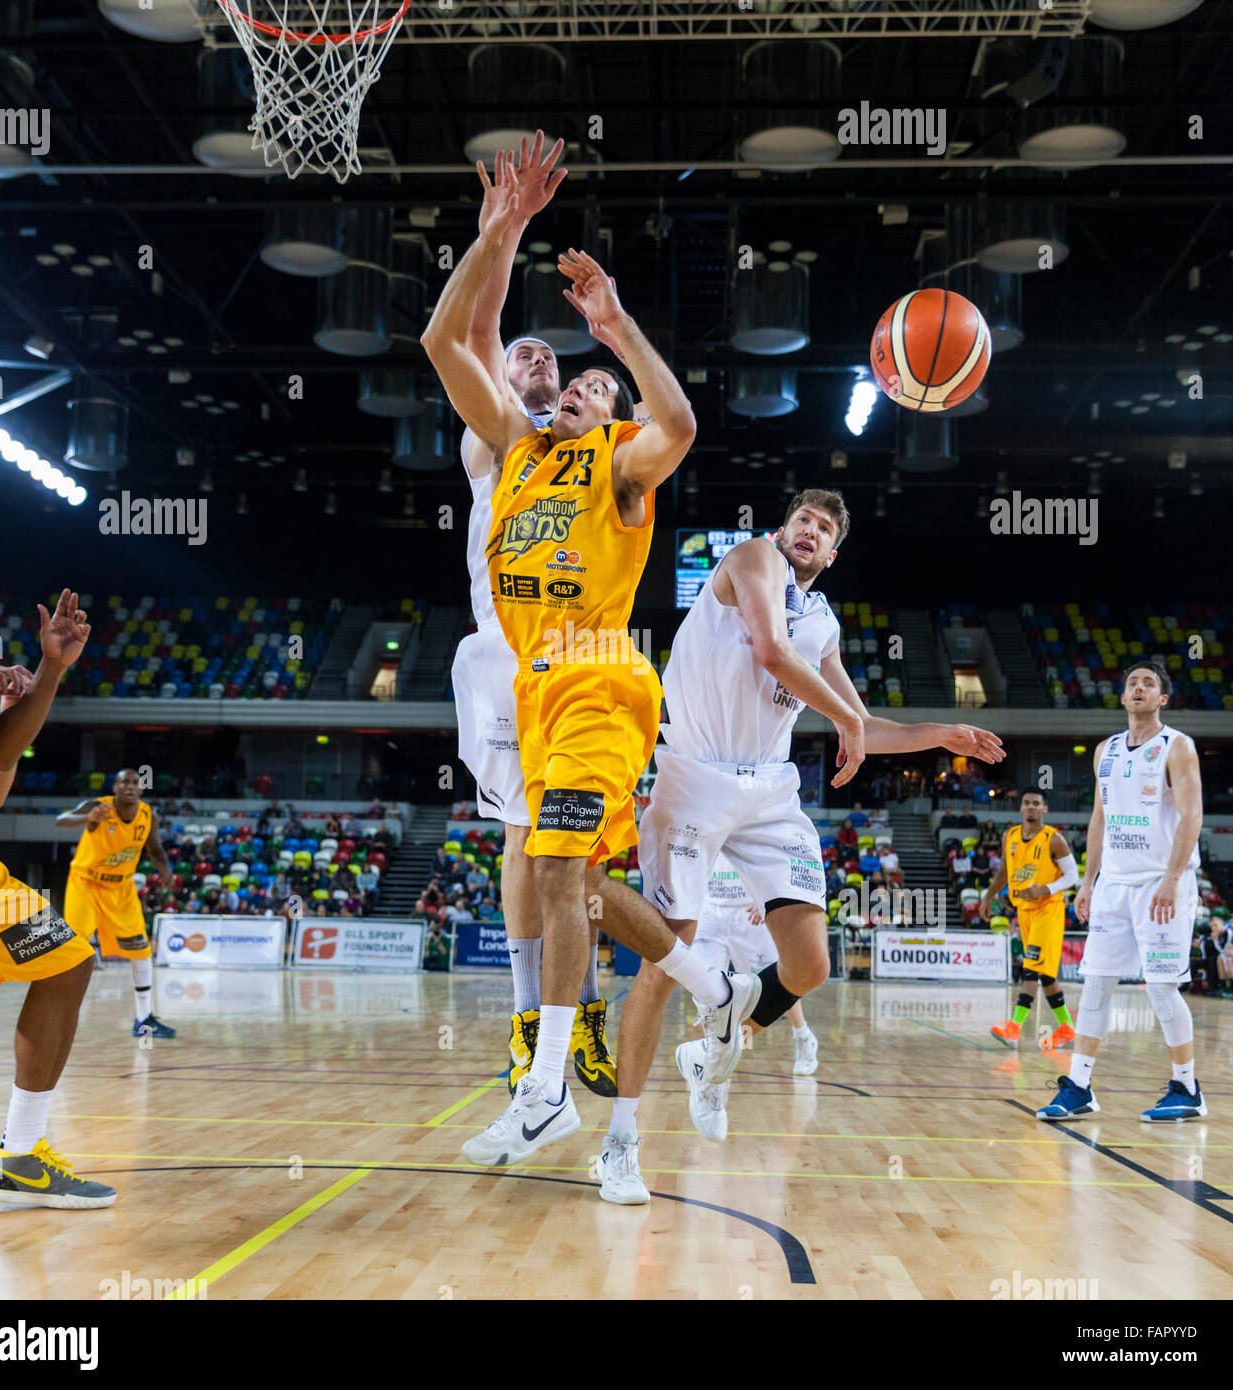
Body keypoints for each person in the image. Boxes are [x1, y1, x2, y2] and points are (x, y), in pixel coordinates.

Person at [423, 148, 751, 1169]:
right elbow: (445, 337)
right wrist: (496, 228)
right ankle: (711, 986)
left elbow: (683, 423)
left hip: (600, 680)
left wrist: (615, 330)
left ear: (607, 415)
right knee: (573, 880)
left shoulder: (619, 468)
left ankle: (543, 1086)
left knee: (557, 867)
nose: (574, 386)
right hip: (526, 686)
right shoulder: (510, 451)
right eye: (572, 376)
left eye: (592, 385)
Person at [602, 490, 1005, 1204]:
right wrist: (848, 719)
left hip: (769, 796)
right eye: (802, 521)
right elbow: (770, 651)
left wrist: (937, 732)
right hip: (695, 778)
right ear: (781, 530)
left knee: (811, 964)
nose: (809, 531)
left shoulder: (823, 620)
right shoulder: (752, 559)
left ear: (834, 552)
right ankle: (620, 1143)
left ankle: (711, 1046)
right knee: (665, 963)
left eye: (823, 528)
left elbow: (859, 721)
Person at [0, 585, 116, 1209]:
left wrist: (46, 669)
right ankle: (18, 1155)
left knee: (67, 961)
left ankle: (20, 1156)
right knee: (70, 962)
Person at [1036, 660, 1207, 1123]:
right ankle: (1080, 1086)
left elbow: (1192, 817)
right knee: (1095, 985)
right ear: (1122, 695)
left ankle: (1187, 1088)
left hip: (1161, 883)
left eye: (1148, 684)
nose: (1138, 688)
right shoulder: (1104, 751)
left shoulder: (1178, 746)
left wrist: (1173, 878)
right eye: (1132, 682)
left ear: (1162, 699)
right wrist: (1088, 881)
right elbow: (1099, 819)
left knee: (1161, 987)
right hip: (1114, 883)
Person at [681, 852, 819, 1141]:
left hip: (749, 911)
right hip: (710, 910)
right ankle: (713, 1078)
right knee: (711, 998)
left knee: (781, 981)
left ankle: (803, 1036)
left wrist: (768, 898)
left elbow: (777, 848)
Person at [57, 768, 180, 1039]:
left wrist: (166, 869)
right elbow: (61, 820)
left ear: (141, 789)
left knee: (141, 951)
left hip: (121, 888)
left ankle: (143, 1018)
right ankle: (58, 1012)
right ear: (115, 787)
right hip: (86, 885)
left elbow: (155, 849)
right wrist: (86, 817)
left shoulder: (149, 815)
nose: (130, 786)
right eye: (124, 781)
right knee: (72, 951)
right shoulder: (98, 806)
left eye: (135, 783)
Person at [980, 790, 1078, 1051]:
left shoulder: (1053, 839)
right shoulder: (1009, 835)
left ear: (1045, 808)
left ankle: (1014, 1028)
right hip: (1024, 911)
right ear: (1021, 808)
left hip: (1048, 910)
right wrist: (988, 896)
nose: (1031, 807)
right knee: (1045, 974)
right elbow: (1004, 872)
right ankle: (1066, 1028)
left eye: (1036, 803)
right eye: (1027, 803)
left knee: (1031, 967)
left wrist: (1044, 890)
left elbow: (1072, 877)